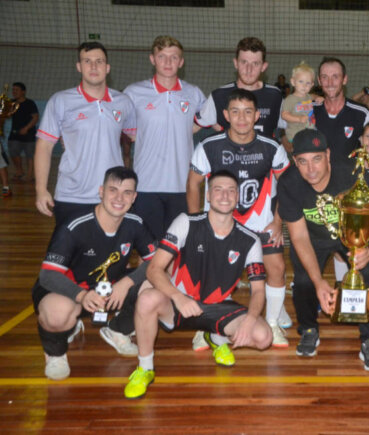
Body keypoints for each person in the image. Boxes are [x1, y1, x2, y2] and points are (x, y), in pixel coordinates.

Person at [124, 170, 272, 399]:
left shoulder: (249, 240)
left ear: (237, 198)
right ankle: (145, 368)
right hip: (179, 303)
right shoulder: (186, 222)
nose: (224, 195)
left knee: (263, 338)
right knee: (146, 299)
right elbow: (154, 269)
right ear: (209, 196)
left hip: (218, 306)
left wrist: (250, 319)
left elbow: (259, 290)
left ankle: (214, 336)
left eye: (231, 190)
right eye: (218, 189)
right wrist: (178, 297)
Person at [187, 89, 290, 347]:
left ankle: (274, 323)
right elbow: (193, 185)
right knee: (210, 274)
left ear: (257, 115)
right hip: (222, 224)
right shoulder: (209, 145)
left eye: (247, 112)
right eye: (235, 111)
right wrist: (195, 224)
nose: (241, 118)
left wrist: (278, 222)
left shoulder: (272, 147)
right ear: (225, 115)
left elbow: (288, 187)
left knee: (276, 268)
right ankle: (204, 324)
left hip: (262, 223)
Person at [33, 167, 156, 380]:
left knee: (156, 284)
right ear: (101, 191)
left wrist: (126, 282)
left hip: (111, 289)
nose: (119, 198)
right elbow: (48, 276)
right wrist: (81, 295)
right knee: (57, 314)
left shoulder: (135, 223)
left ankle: (117, 330)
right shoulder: (74, 225)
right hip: (72, 291)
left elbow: (156, 263)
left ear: (134, 197)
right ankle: (55, 353)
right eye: (113, 190)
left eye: (127, 192)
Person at [277, 129, 369, 371]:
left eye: (316, 159)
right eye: (302, 162)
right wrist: (319, 282)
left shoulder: (353, 174)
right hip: (312, 238)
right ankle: (308, 329)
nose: (311, 169)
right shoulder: (289, 182)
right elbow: (299, 236)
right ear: (295, 162)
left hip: (352, 235)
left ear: (328, 155)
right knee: (303, 280)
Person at [35, 42, 136, 226]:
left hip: (112, 196)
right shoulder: (61, 101)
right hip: (72, 195)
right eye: (87, 61)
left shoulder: (123, 102)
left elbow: (139, 138)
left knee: (109, 254)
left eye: (99, 61)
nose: (94, 66)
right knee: (70, 254)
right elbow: (44, 146)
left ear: (107, 68)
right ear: (79, 67)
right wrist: (41, 189)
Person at [124, 35, 206, 239]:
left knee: (177, 248)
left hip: (182, 185)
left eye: (174, 57)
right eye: (162, 56)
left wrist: (192, 126)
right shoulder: (133, 93)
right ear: (152, 59)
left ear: (181, 61)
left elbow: (213, 119)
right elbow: (115, 123)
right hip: (145, 186)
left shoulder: (193, 93)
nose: (168, 62)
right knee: (148, 251)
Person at [195, 37, 282, 139]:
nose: (249, 69)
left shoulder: (275, 95)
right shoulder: (219, 96)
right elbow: (192, 127)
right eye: (244, 62)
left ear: (264, 66)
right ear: (236, 63)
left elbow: (290, 126)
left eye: (255, 63)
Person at [314, 57, 369, 167]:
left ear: (344, 79)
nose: (330, 83)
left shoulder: (361, 114)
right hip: (315, 181)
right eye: (324, 77)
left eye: (335, 77)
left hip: (348, 181)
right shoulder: (309, 110)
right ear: (319, 81)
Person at [8, 82, 39, 182]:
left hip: (28, 134)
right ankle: (19, 171)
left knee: (30, 155)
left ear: (23, 92)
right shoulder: (11, 103)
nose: (14, 92)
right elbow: (6, 115)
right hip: (15, 133)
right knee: (13, 152)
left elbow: (35, 117)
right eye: (13, 90)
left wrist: (26, 128)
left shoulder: (30, 103)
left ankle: (30, 174)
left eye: (16, 90)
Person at [280, 61, 316, 144]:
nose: (304, 86)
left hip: (308, 132)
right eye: (301, 81)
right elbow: (284, 115)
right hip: (295, 134)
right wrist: (299, 119)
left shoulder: (308, 96)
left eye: (308, 83)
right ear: (293, 82)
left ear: (312, 85)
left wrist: (318, 97)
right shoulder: (290, 99)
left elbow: (313, 96)